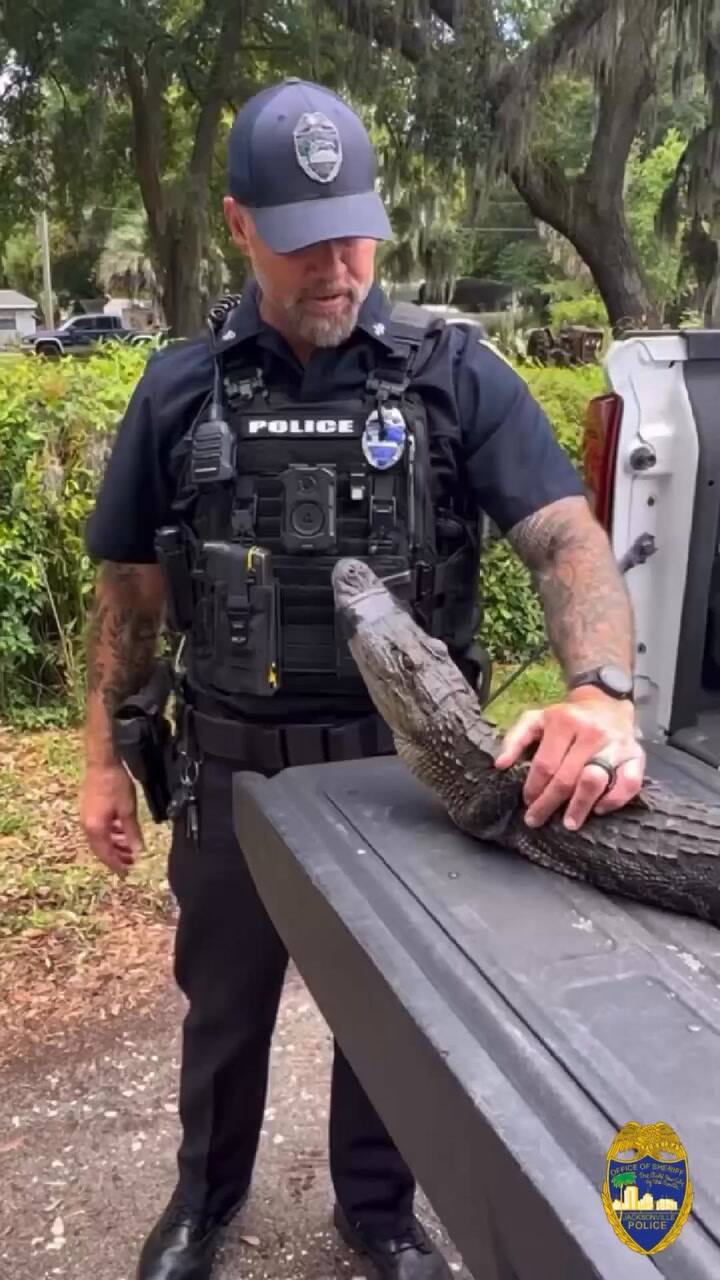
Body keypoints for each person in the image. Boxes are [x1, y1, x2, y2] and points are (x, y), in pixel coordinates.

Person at [80, 78, 645, 1280]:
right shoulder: (179, 390)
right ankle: (204, 1203)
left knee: (393, 1021)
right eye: (302, 242)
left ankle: (378, 1211)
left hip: (407, 779)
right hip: (234, 781)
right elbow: (130, 591)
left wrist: (599, 685)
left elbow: (567, 537)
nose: (340, 265)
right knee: (223, 1016)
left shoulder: (452, 374)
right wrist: (100, 762)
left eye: (356, 230)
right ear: (239, 226)